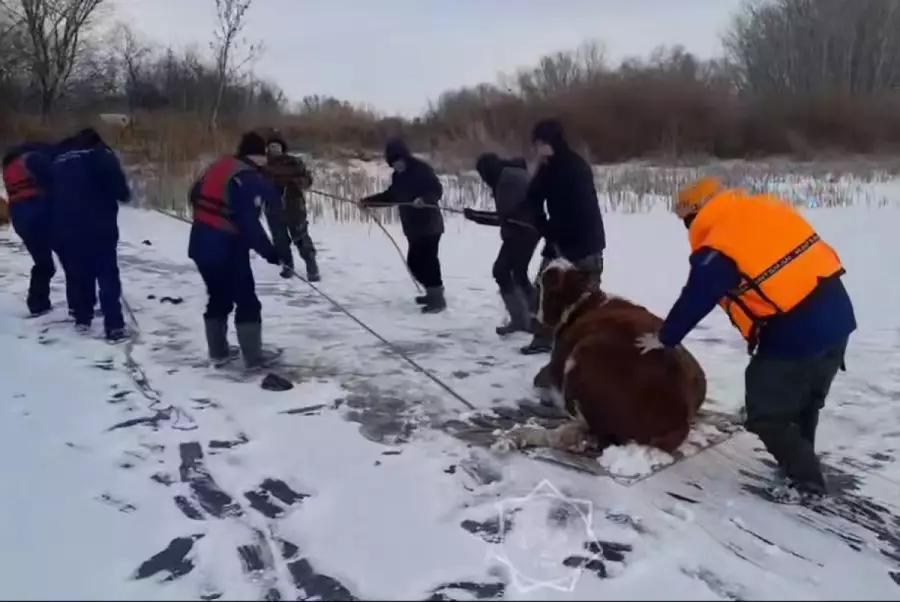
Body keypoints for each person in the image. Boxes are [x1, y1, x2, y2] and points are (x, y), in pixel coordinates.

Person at [635, 176, 856, 504]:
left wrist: (665, 337)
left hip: (796, 332)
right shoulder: (764, 209)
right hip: (838, 316)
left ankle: (806, 482)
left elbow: (697, 297)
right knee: (805, 400)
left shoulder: (721, 244)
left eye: (685, 220)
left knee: (765, 413)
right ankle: (797, 463)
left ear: (694, 215)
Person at [188, 131, 288, 369]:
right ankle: (254, 358)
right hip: (227, 249)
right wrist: (271, 253)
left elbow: (194, 195)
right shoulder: (247, 177)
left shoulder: (220, 166)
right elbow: (249, 224)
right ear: (260, 156)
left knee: (218, 297)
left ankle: (219, 352)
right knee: (247, 301)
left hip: (200, 244)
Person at [519, 118, 606, 355]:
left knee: (585, 299)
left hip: (584, 244)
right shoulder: (548, 167)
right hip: (558, 241)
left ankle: (589, 347)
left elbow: (580, 211)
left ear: (549, 142)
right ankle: (543, 339)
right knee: (543, 291)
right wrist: (543, 226)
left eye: (538, 143)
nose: (535, 149)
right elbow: (533, 197)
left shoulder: (575, 169)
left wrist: (555, 235)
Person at [52, 128, 132, 342]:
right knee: (106, 272)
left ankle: (82, 317)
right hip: (100, 224)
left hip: (67, 225)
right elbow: (121, 190)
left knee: (79, 271)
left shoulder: (60, 161)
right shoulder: (101, 155)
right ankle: (114, 325)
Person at [360, 138, 446, 314]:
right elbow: (391, 196)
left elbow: (436, 190)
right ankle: (433, 292)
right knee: (414, 263)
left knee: (428, 261)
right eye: (393, 163)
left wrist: (424, 200)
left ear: (405, 157)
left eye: (398, 161)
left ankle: (437, 299)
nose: (396, 165)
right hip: (412, 228)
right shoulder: (397, 177)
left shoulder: (422, 170)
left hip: (429, 225)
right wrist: (367, 202)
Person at [463, 153, 540, 335]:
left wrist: (476, 216)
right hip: (530, 230)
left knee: (502, 271)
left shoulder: (506, 181)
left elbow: (505, 218)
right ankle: (536, 316)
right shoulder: (513, 174)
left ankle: (523, 320)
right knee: (518, 275)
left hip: (521, 232)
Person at [2, 141, 60, 316]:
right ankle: (81, 307)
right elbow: (54, 182)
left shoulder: (8, 168)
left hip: (21, 219)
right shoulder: (31, 160)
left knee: (43, 263)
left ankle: (38, 304)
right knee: (74, 259)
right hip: (39, 215)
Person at [263, 132, 319, 281]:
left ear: (282, 148)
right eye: (271, 147)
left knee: (301, 237)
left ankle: (311, 267)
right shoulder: (263, 166)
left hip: (294, 207)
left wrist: (296, 182)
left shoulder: (294, 162)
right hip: (273, 209)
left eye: (277, 146)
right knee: (280, 240)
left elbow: (307, 180)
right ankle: (287, 267)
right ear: (267, 149)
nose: (275, 149)